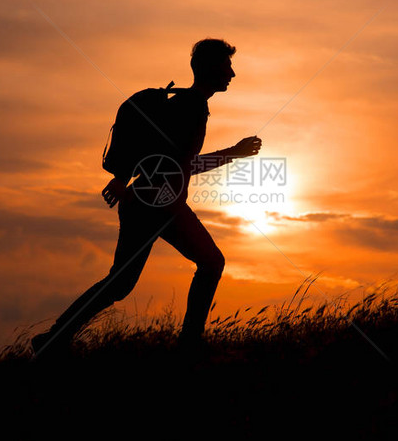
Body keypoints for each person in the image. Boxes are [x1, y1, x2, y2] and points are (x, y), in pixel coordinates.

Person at [32, 38, 262, 357]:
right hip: (158, 203)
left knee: (121, 283)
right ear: (211, 68)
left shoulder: (185, 103)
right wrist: (233, 153)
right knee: (208, 263)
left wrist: (124, 179)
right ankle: (189, 346)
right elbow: (181, 165)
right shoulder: (192, 106)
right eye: (227, 66)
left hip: (148, 200)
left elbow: (156, 154)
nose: (232, 74)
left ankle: (52, 340)